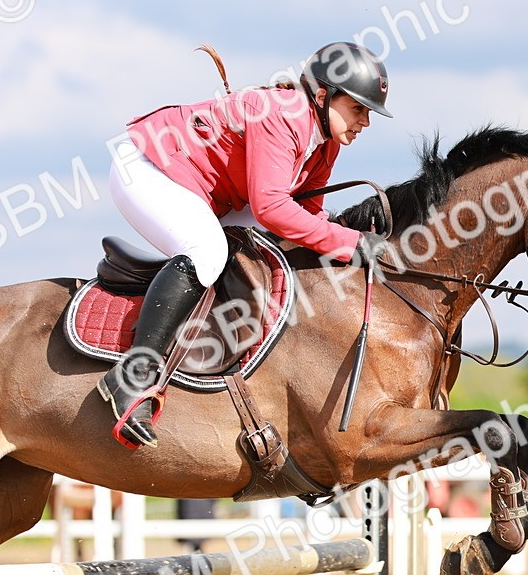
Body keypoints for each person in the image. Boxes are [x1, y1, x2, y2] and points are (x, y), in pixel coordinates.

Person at [98, 41, 392, 449]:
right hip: (147, 165)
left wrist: (352, 235)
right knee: (207, 251)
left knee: (269, 251)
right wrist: (349, 241)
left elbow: (305, 216)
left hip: (210, 190)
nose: (365, 122)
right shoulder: (284, 114)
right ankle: (135, 374)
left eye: (368, 113)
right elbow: (272, 207)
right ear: (323, 95)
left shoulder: (325, 140)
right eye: (359, 109)